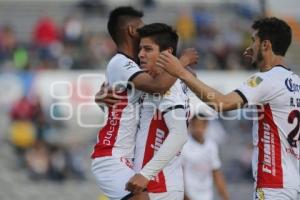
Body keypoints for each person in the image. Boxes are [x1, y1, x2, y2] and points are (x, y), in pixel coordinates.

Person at [157, 17, 300, 200]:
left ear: (265, 45)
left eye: (253, 41)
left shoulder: (266, 80)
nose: (249, 47)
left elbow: (221, 103)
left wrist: (181, 73)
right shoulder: (295, 82)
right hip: (294, 182)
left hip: (274, 184)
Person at [91, 6, 197, 200]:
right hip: (111, 155)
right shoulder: (120, 62)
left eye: (148, 49)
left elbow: (115, 100)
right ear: (132, 30)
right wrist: (181, 62)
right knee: (141, 197)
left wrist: (99, 99)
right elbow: (159, 86)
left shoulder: (136, 67)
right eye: (142, 26)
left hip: (127, 157)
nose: (146, 31)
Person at [124, 23, 193, 200]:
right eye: (140, 49)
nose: (140, 55)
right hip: (154, 184)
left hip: (157, 186)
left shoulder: (168, 86)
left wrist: (145, 175)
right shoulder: (156, 83)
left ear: (167, 53)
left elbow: (179, 135)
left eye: (148, 49)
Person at [182, 114, 229, 200]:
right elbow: (179, 175)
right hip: (189, 195)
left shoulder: (211, 146)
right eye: (195, 126)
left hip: (206, 195)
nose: (198, 129)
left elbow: (217, 174)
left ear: (206, 125)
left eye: (201, 126)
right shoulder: (184, 146)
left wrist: (225, 197)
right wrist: (184, 196)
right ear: (191, 125)